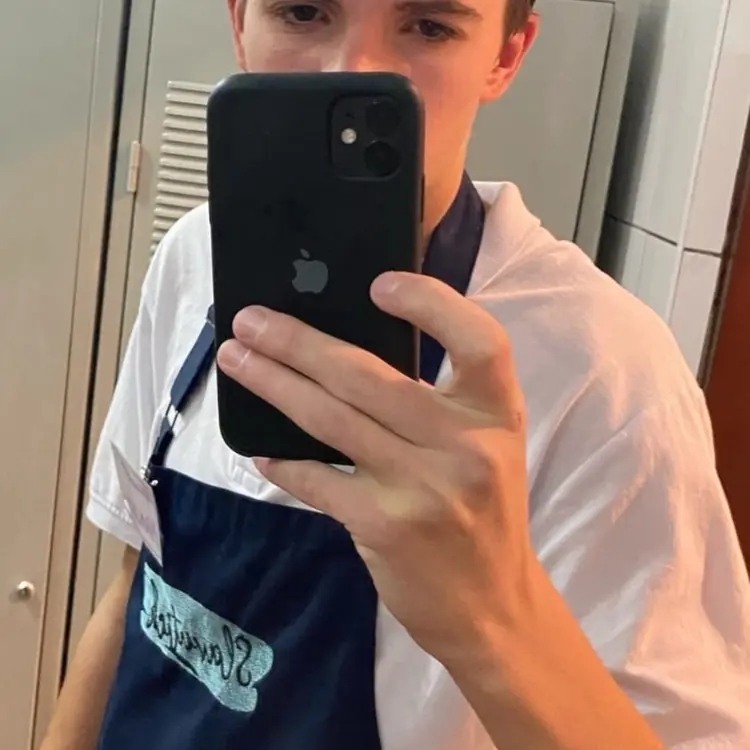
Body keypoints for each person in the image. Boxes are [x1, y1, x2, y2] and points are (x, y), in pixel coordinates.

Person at [42, 0, 750, 748]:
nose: (354, 72)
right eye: (303, 11)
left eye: (429, 26)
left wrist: (492, 614)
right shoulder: (193, 256)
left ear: (505, 57)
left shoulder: (606, 376)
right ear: (241, 21)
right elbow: (135, 583)